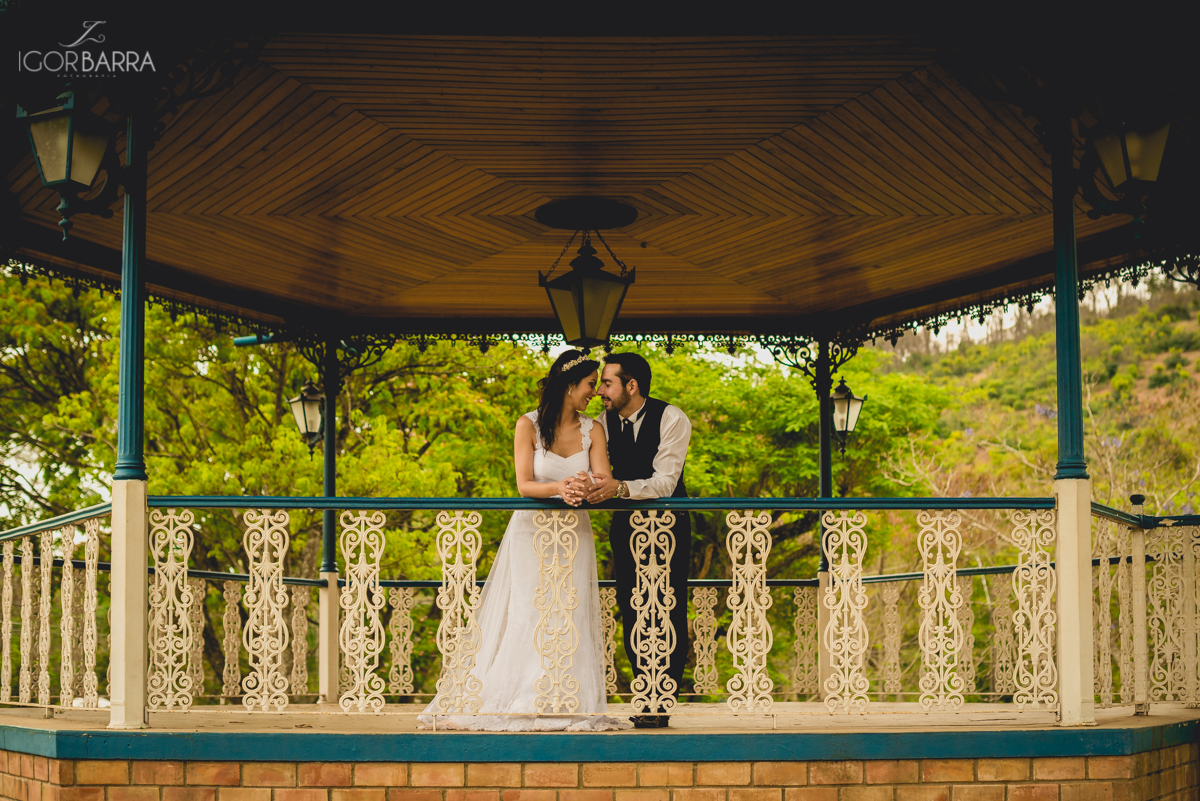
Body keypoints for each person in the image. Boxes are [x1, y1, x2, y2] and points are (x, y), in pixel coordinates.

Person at [418, 350, 630, 731]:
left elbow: (603, 476)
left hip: (573, 531)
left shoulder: (594, 429)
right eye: (589, 384)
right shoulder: (528, 425)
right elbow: (523, 484)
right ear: (569, 386)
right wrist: (559, 486)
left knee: (569, 609)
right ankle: (522, 695)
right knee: (530, 609)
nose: (594, 392)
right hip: (531, 530)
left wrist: (586, 485)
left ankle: (564, 696)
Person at [585, 352, 692, 729]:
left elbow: (666, 481)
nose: (600, 391)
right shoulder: (600, 422)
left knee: (668, 606)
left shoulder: (672, 418)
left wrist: (621, 487)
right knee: (631, 604)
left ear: (631, 386)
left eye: (608, 383)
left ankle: (661, 701)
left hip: (668, 526)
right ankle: (644, 695)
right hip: (625, 526)